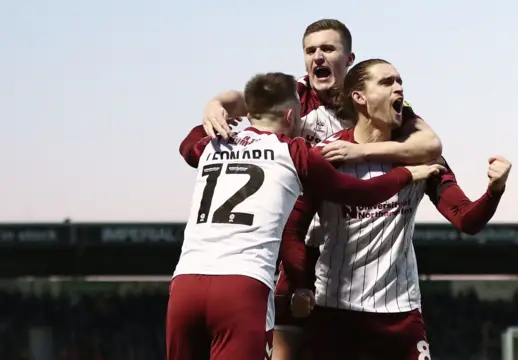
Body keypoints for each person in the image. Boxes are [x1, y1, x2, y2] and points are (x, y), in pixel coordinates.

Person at [178, 19, 445, 360]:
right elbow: (243, 99)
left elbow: (430, 143)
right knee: (284, 349)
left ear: (349, 59)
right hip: (296, 243)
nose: (318, 56)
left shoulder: (376, 100)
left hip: (352, 250)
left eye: (328, 49)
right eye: (310, 50)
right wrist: (215, 103)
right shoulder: (294, 98)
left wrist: (362, 151)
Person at [280, 59, 512, 360]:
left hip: (401, 314)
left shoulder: (421, 157)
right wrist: (300, 286)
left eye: (400, 81)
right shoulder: (328, 154)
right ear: (359, 98)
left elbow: (466, 219)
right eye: (387, 82)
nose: (398, 87)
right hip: (336, 312)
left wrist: (495, 191)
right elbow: (294, 229)